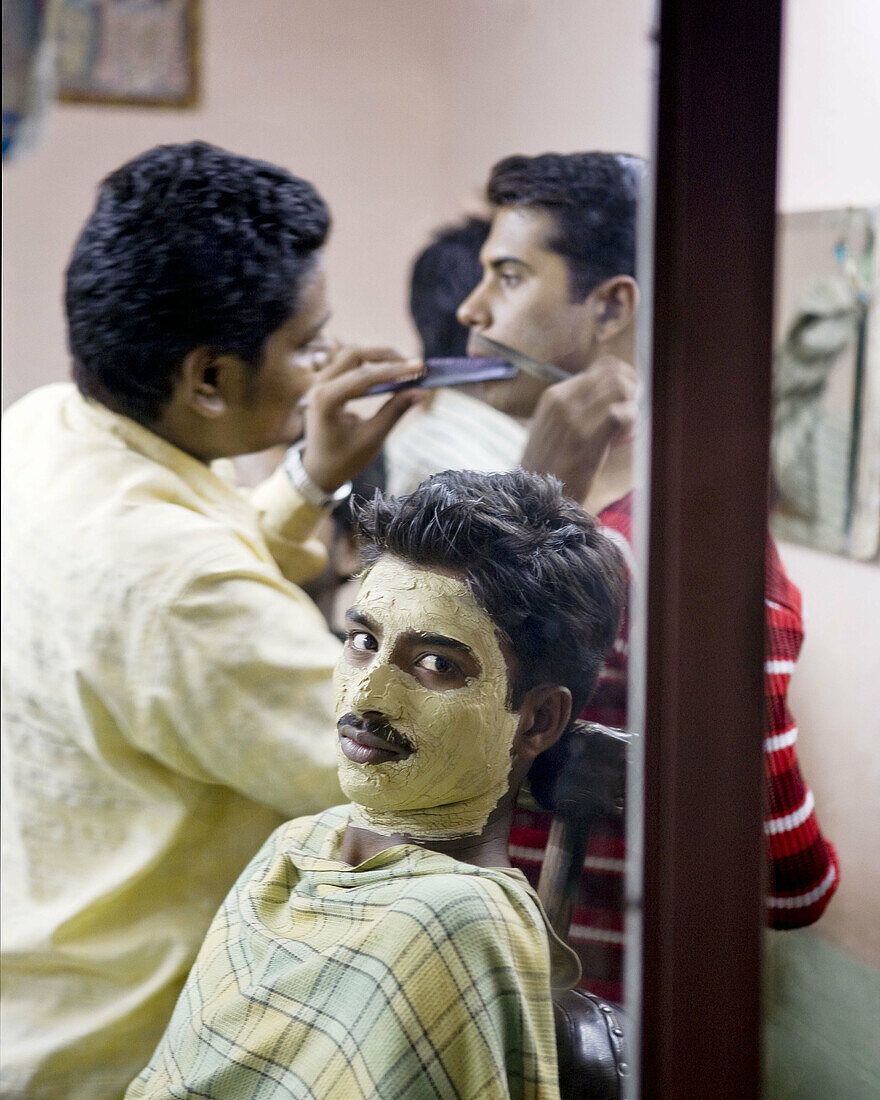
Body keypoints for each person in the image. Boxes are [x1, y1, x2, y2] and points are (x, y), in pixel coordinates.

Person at [0, 141, 427, 1099]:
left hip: (32, 1003)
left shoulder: (42, 428)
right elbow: (402, 773)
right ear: (206, 378)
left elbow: (178, 603)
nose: (328, 365)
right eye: (309, 344)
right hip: (127, 1056)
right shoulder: (181, 590)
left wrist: (310, 478)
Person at [386, 151, 840, 1002]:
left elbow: (790, 885)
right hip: (494, 1006)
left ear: (612, 308)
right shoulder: (687, 549)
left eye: (509, 277)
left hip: (563, 1035)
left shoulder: (686, 566)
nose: (471, 310)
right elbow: (796, 882)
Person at [126, 468, 625, 1100]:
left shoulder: (449, 923)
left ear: (537, 719)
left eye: (436, 664)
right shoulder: (295, 849)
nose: (366, 695)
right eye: (362, 641)